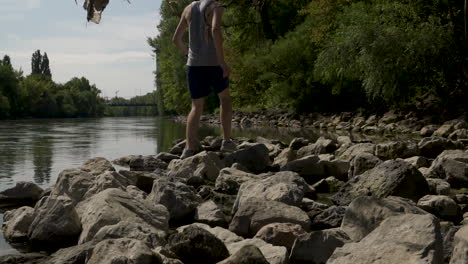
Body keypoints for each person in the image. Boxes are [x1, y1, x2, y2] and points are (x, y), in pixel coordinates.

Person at [173, 0, 236, 159]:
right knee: (225, 99)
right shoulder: (216, 6)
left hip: (194, 65)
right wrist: (222, 62)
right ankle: (227, 141)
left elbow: (176, 39)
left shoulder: (188, 9)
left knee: (196, 106)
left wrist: (187, 54)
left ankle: (188, 148)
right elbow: (215, 30)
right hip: (214, 63)